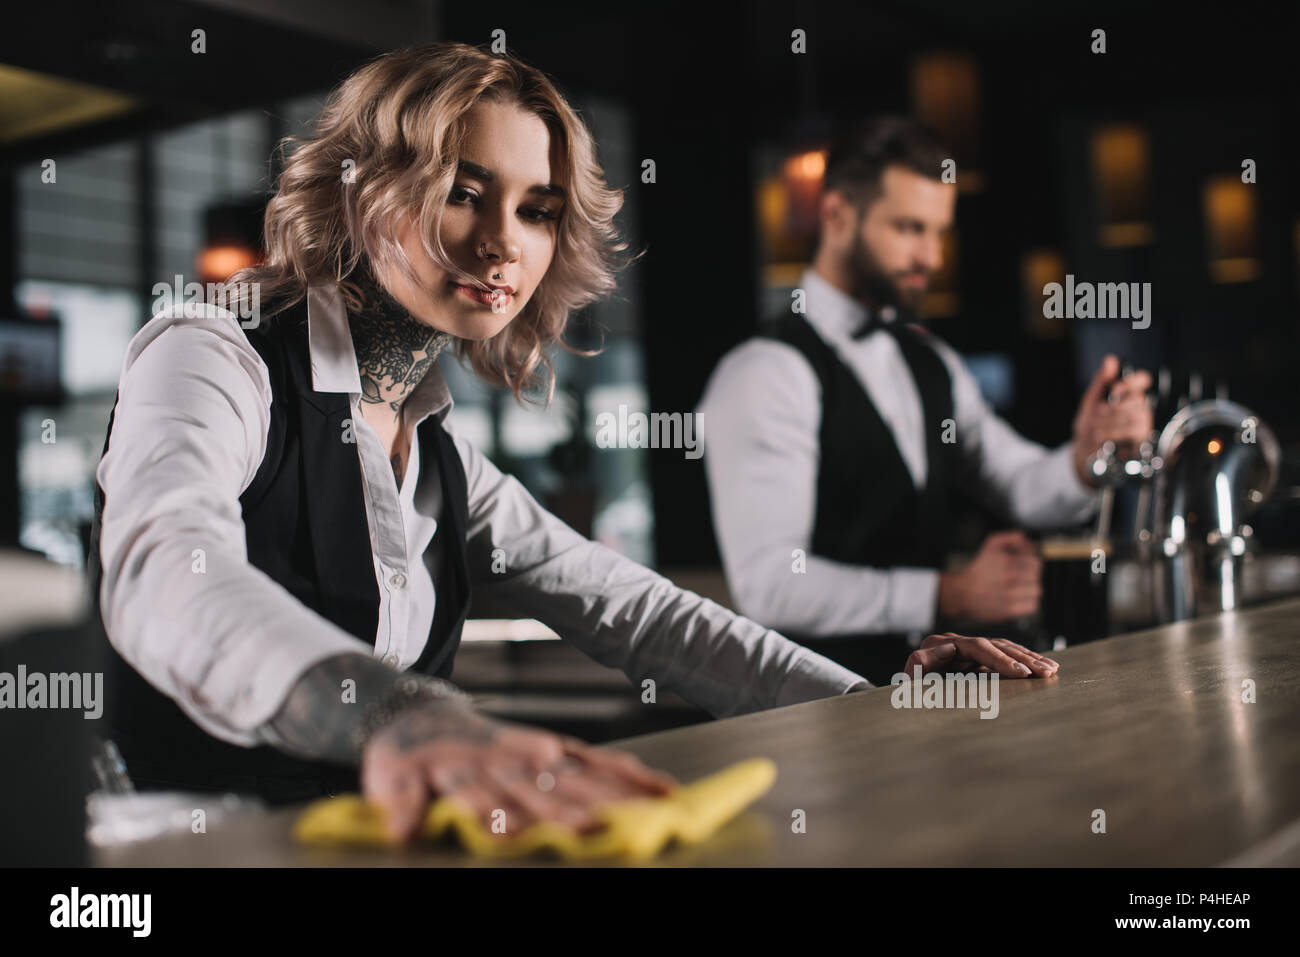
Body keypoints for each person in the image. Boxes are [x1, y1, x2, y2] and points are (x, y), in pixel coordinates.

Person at [89, 50, 1059, 845]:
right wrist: (405, 716)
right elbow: (169, 568)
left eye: (537, 210)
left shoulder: (442, 459)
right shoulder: (213, 354)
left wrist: (870, 704)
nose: (503, 243)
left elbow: (643, 617)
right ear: (367, 191)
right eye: (464, 192)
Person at [698, 115, 1151, 685]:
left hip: (926, 703)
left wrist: (1086, 460)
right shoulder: (765, 371)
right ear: (837, 215)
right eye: (910, 228)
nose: (932, 259)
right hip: (813, 714)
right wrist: (951, 593)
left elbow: (1020, 484)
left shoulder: (929, 358)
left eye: (939, 232)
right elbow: (770, 585)